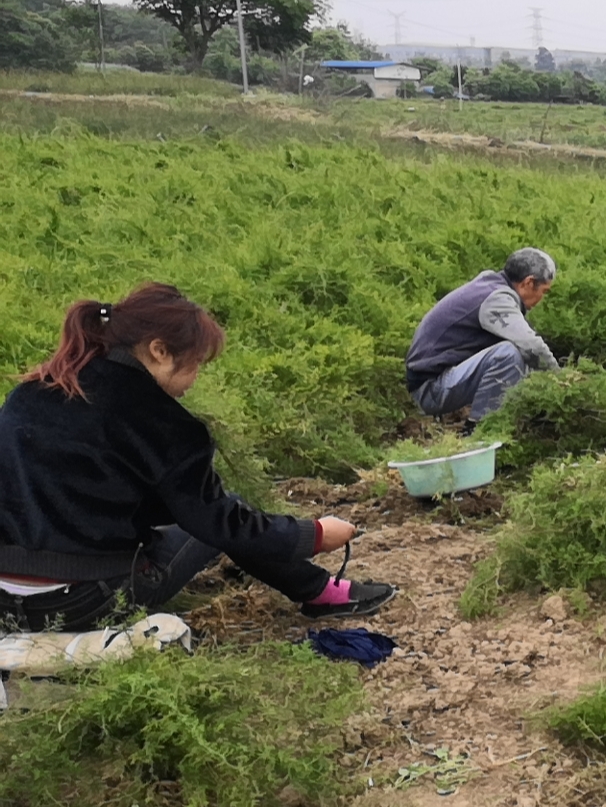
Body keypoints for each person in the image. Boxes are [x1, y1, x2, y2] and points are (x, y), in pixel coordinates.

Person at [0, 284, 391, 633]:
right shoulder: (162, 420)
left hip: (6, 603)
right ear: (159, 350)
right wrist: (315, 536)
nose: (195, 381)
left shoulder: (32, 392)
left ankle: (318, 590)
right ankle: (321, 594)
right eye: (197, 364)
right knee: (226, 511)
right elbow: (221, 524)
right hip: (87, 600)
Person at [405, 248, 561, 432]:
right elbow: (531, 345)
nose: (542, 298)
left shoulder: (491, 285)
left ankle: (517, 422)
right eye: (544, 291)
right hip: (430, 388)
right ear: (528, 282)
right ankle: (480, 430)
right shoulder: (496, 300)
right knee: (510, 354)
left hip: (441, 377)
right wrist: (561, 381)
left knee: (522, 358)